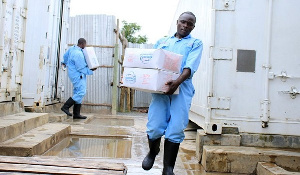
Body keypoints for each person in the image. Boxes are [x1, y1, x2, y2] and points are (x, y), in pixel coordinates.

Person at [142, 12, 203, 175]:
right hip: (161, 90)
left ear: (193, 27)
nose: (185, 26)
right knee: (155, 126)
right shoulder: (162, 42)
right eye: (183, 22)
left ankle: (168, 167)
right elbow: (151, 64)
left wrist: (176, 83)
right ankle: (152, 152)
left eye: (189, 24)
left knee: (176, 127)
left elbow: (190, 67)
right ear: (177, 22)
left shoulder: (195, 44)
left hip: (182, 90)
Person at [61, 38, 96, 119]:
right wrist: (91, 70)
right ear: (82, 44)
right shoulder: (78, 54)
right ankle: (66, 106)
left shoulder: (72, 48)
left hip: (72, 73)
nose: (85, 46)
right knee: (81, 92)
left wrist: (64, 63)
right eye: (85, 44)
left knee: (77, 92)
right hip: (78, 75)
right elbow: (81, 68)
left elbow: (65, 56)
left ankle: (76, 114)